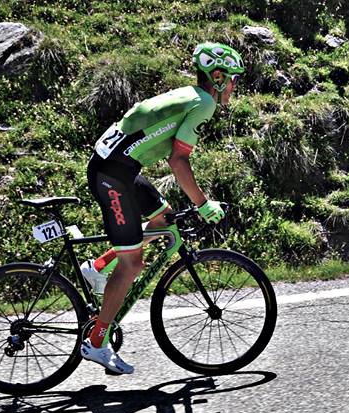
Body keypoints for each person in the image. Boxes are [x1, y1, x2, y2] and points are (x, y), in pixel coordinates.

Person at [79, 43, 245, 374]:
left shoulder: (190, 94)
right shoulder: (204, 104)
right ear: (218, 77)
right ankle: (97, 342)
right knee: (132, 264)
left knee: (164, 220)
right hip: (114, 175)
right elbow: (178, 160)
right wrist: (202, 203)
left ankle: (96, 267)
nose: (235, 87)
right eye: (233, 80)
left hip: (117, 167)